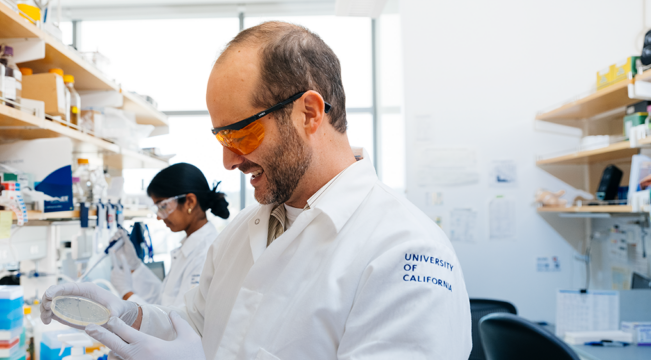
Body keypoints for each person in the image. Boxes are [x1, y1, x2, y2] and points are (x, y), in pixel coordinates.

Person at [42, 21, 472, 359]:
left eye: (241, 135)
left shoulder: (403, 252)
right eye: (220, 139)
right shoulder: (241, 234)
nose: (228, 162)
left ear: (309, 112)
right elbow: (192, 326)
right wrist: (127, 315)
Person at [109, 163, 229, 307]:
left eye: (163, 206)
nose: (159, 217)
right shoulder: (188, 247)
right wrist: (134, 266)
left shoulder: (205, 253)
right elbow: (164, 301)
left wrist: (126, 293)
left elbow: (178, 321)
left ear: (189, 202)